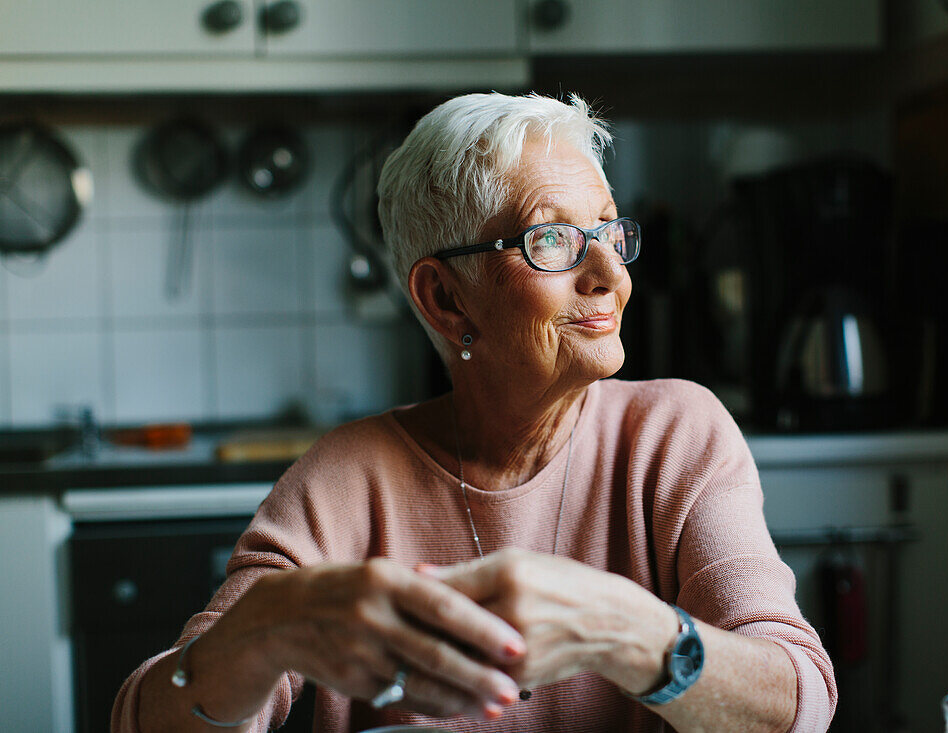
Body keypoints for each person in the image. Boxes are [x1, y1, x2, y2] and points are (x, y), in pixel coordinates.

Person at [112, 92, 836, 733]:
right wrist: (263, 630)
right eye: (551, 238)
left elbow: (798, 699)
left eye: (610, 232)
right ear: (446, 298)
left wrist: (625, 632)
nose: (611, 275)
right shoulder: (348, 477)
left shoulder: (676, 435)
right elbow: (148, 719)